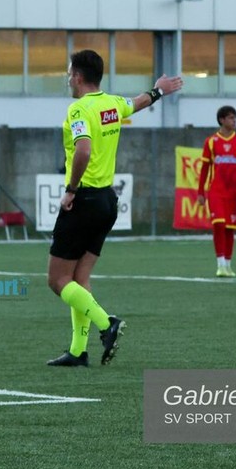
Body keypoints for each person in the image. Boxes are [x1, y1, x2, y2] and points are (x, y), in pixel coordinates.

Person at [46, 50, 183, 367]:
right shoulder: (112, 103)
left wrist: (71, 190)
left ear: (78, 76)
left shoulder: (79, 109)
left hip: (84, 200)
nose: (68, 79)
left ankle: (107, 323)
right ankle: (78, 351)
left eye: (69, 74)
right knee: (80, 278)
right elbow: (138, 102)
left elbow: (83, 150)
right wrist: (158, 90)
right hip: (107, 201)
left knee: (57, 280)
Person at [197, 106, 236, 277]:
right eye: (230, 118)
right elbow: (204, 169)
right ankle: (220, 265)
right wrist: (200, 192)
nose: (234, 121)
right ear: (222, 120)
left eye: (235, 118)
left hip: (234, 192)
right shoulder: (211, 141)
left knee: (229, 228)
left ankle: (228, 265)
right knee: (219, 223)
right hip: (216, 191)